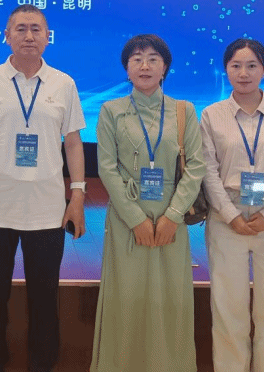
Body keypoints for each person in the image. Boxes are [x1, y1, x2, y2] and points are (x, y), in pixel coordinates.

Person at [0, 4, 87, 372]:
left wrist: (77, 195)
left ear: (47, 36)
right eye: (20, 29)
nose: (28, 36)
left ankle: (42, 364)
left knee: (44, 299)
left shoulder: (63, 83)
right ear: (7, 35)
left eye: (36, 29)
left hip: (47, 210)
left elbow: (73, 143)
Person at [90, 34, 205, 372]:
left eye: (153, 58)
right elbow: (107, 167)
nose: (145, 65)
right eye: (136, 58)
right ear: (126, 69)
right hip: (128, 216)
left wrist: (173, 216)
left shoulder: (184, 111)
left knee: (170, 298)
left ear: (165, 67)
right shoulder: (111, 111)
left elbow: (196, 166)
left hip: (171, 216)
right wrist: (135, 218)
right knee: (125, 297)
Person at [200, 38, 264, 372]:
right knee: (227, 311)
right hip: (226, 218)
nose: (243, 73)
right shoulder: (211, 115)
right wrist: (231, 215)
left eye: (251, 66)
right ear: (226, 69)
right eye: (236, 66)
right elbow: (208, 171)